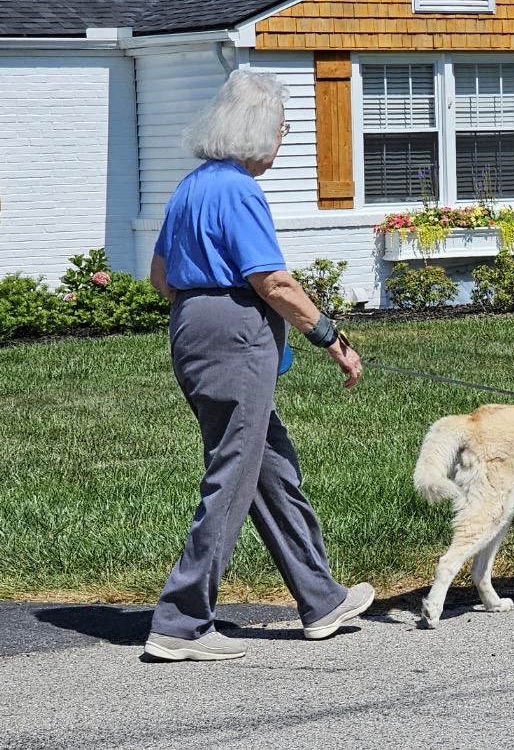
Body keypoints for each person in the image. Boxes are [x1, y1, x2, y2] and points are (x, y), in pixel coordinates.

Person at [144, 69, 373, 662]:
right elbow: (272, 280)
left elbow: (160, 279)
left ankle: (321, 600)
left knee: (267, 465)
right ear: (257, 131)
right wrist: (330, 337)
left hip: (192, 327)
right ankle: (180, 622)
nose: (282, 139)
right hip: (236, 333)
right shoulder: (240, 191)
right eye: (282, 129)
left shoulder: (190, 187)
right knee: (233, 476)